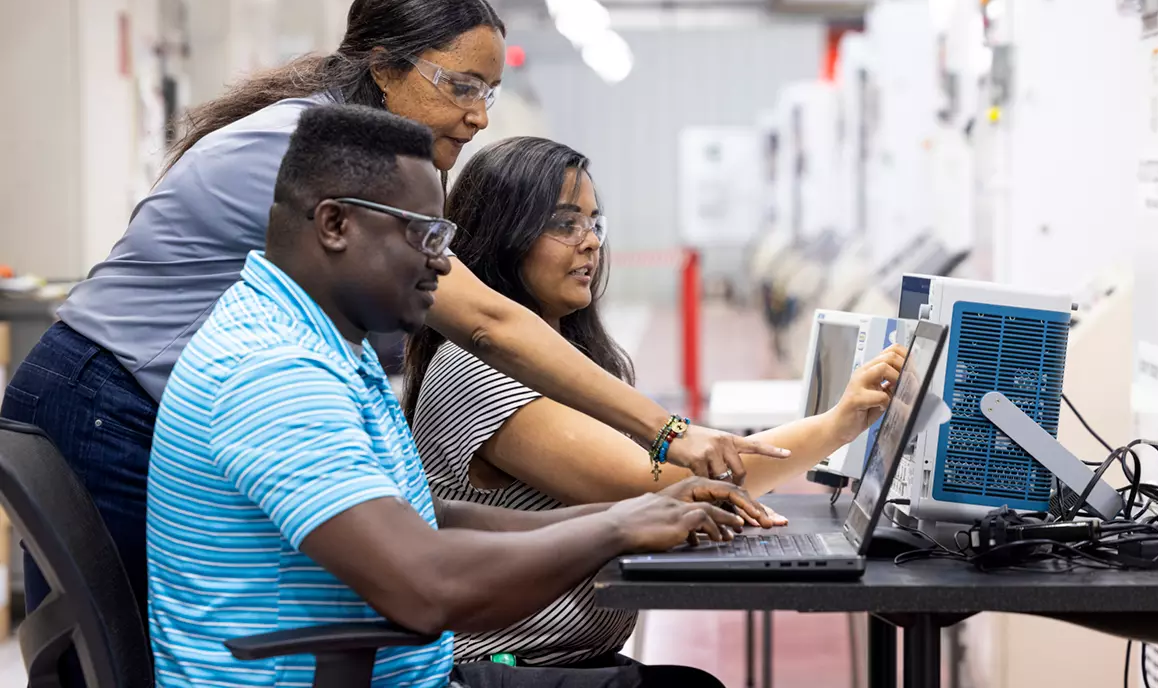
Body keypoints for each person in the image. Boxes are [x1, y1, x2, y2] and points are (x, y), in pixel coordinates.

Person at [0, 0, 784, 620]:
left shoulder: (341, 194)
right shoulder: (304, 156)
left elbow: (424, 510)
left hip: (150, 398)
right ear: (383, 68)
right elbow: (484, 321)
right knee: (122, 645)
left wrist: (619, 517)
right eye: (460, 86)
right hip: (104, 398)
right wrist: (666, 432)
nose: (478, 116)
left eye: (490, 92)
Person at [149, 104, 754, 688]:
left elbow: (422, 514)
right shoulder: (274, 372)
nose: (444, 266)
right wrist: (615, 531)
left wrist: (627, 513)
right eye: (425, 236)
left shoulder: (328, 346)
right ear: (336, 225)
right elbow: (427, 587)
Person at [404, 137, 905, 666]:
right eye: (564, 223)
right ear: (503, 233)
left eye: (595, 223)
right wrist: (836, 425)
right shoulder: (477, 371)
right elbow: (667, 489)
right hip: (497, 666)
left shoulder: (573, 360)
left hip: (564, 656)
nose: (590, 242)